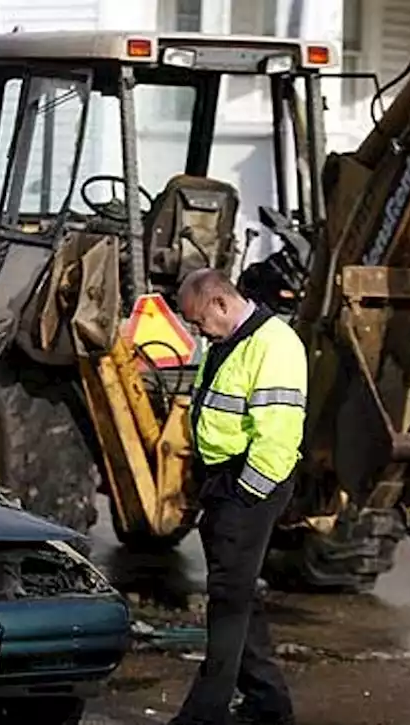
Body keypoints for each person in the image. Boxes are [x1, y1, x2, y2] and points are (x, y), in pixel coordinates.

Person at [168, 268, 308, 725]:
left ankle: (204, 714)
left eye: (197, 321)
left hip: (250, 485)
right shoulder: (227, 342)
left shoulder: (275, 344)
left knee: (227, 600)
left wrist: (243, 496)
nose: (195, 331)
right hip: (224, 482)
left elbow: (279, 437)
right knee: (239, 594)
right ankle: (269, 702)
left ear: (221, 304)